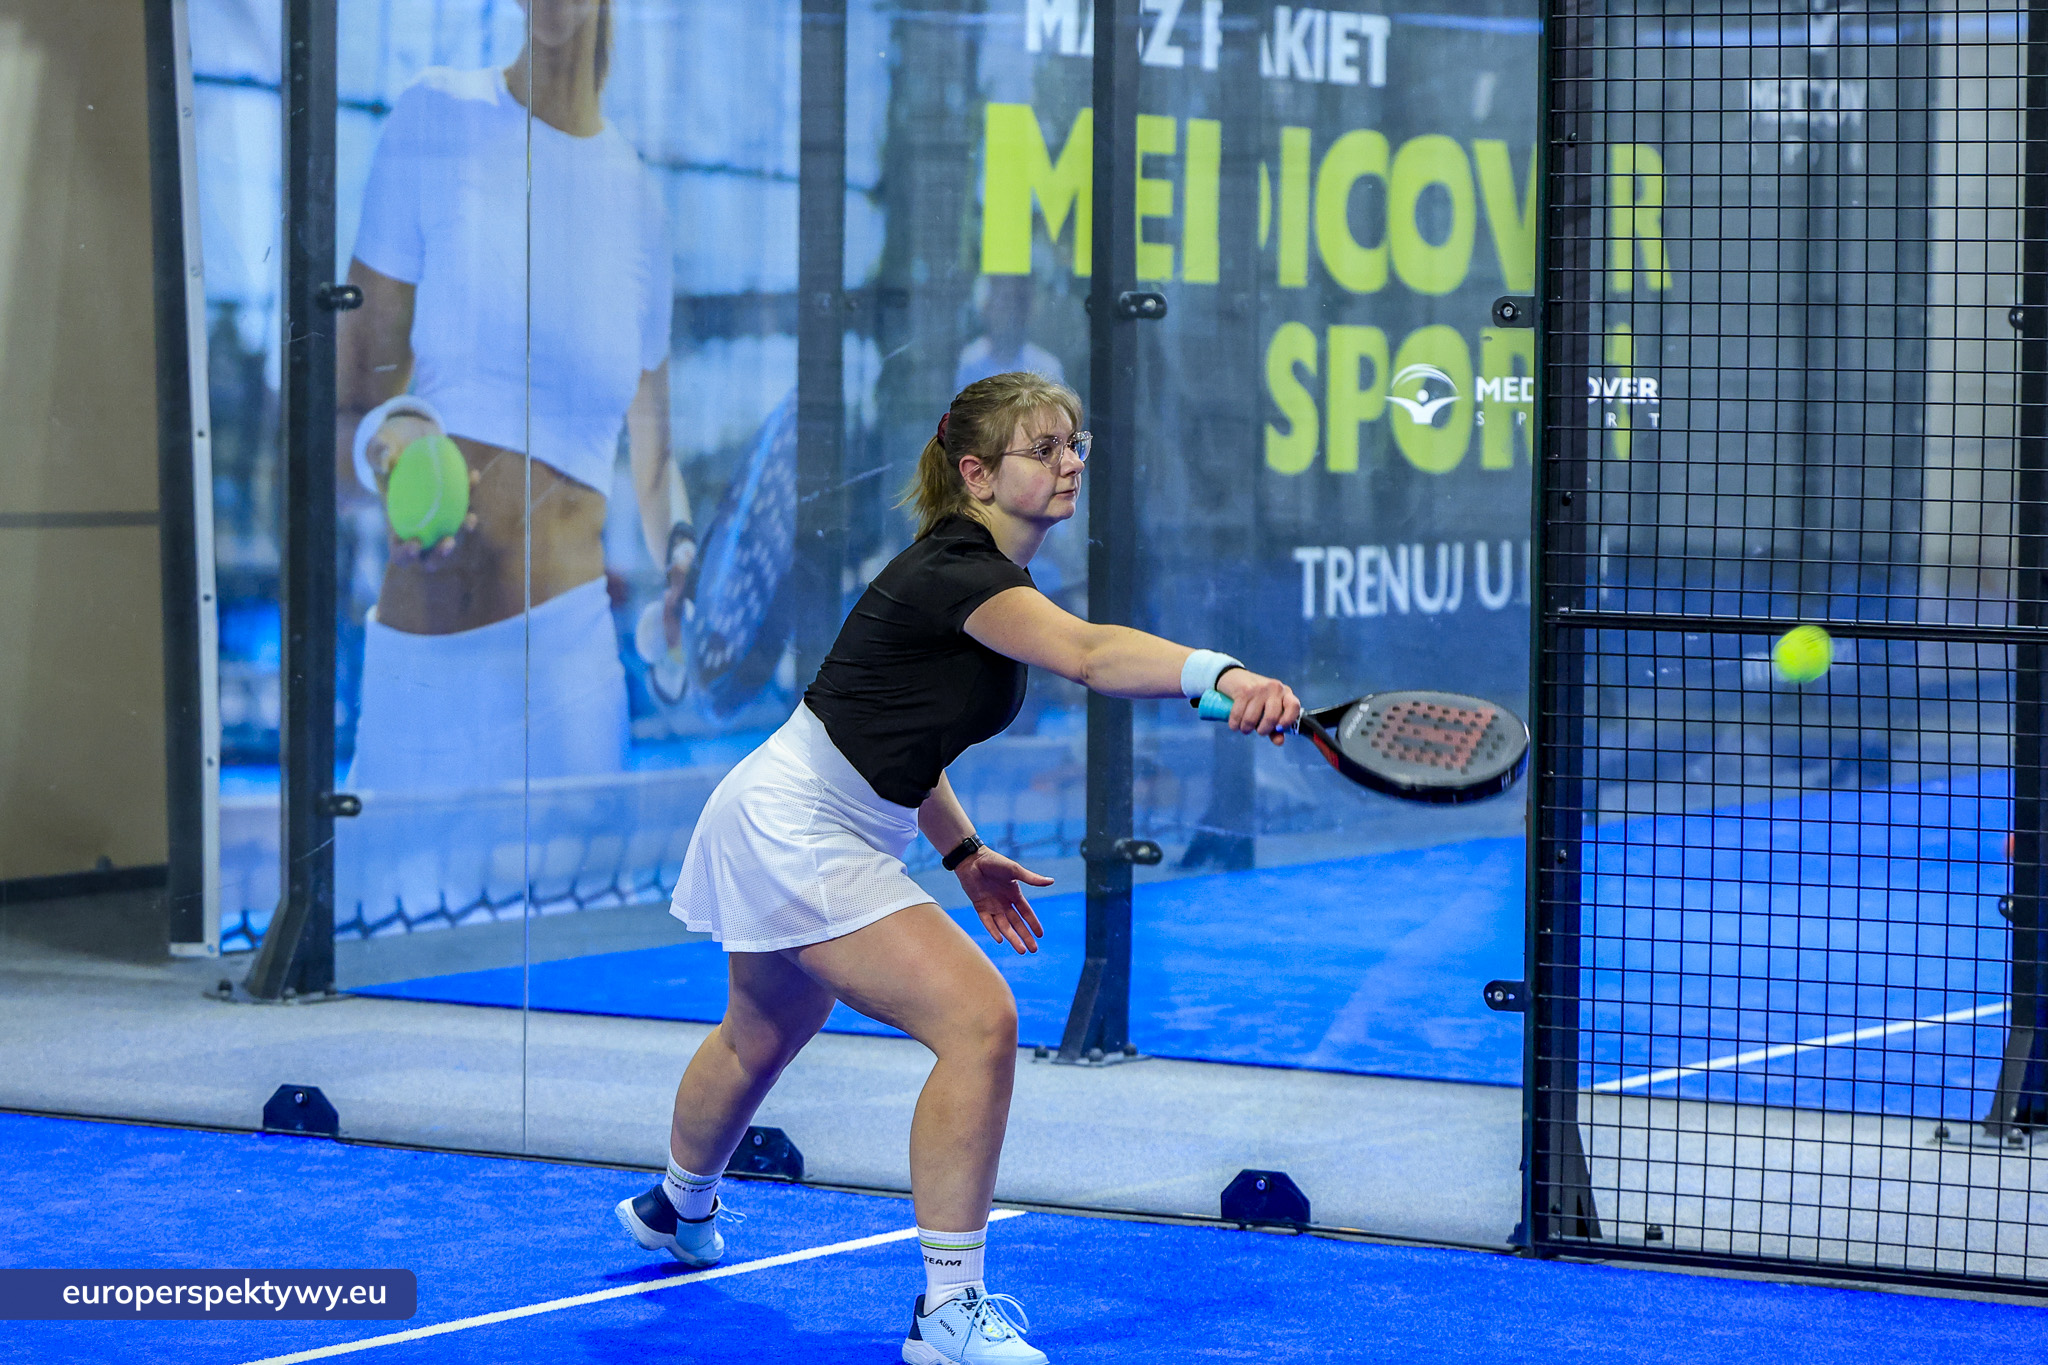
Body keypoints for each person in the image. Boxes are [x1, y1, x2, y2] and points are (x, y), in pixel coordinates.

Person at [613, 371, 1301, 1363]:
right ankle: (946, 1311)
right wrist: (1219, 676)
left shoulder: (976, 578)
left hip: (797, 809)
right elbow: (1093, 657)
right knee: (978, 1022)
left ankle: (676, 1209)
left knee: (762, 1030)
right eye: (1042, 448)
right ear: (976, 474)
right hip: (796, 824)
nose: (1069, 463)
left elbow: (902, 736)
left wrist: (963, 850)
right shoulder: (960, 574)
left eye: (1075, 443)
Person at [336, 0, 690, 791]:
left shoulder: (642, 203)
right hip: (422, 676)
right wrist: (386, 447)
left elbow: (656, 462)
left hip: (571, 689)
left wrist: (682, 553)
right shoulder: (434, 117)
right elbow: (343, 419)